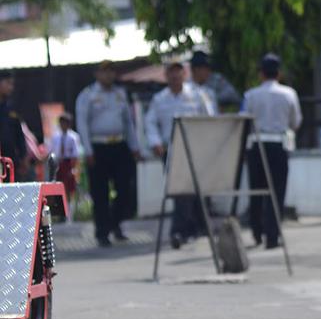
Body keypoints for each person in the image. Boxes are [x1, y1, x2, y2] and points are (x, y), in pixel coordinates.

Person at [145, 61, 216, 247]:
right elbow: (150, 122)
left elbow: (209, 118)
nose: (175, 78)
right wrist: (155, 142)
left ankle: (193, 228)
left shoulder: (197, 94)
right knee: (179, 190)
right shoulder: (159, 99)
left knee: (196, 190)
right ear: (166, 76)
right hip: (172, 150)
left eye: (178, 74)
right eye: (171, 74)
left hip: (194, 149)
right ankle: (180, 231)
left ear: (184, 74)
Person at [75, 61, 140, 247]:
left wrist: (134, 146)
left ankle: (116, 223)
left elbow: (128, 122)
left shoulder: (120, 94)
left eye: (111, 71)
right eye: (104, 72)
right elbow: (82, 124)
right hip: (98, 147)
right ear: (97, 74)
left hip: (119, 144)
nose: (109, 75)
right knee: (100, 192)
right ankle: (102, 232)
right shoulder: (88, 95)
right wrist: (87, 150)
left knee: (125, 188)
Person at [242, 53, 302, 250]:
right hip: (278, 145)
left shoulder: (250, 95)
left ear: (261, 74)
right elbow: (296, 122)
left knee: (256, 191)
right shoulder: (289, 94)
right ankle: (272, 237)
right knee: (277, 192)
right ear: (279, 73)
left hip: (256, 146)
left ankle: (257, 232)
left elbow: (244, 121)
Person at [48, 113, 83, 216]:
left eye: (65, 123)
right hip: (58, 163)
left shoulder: (73, 137)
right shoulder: (56, 137)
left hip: (68, 163)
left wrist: (74, 168)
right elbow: (52, 150)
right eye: (61, 123)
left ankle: (69, 214)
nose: (63, 125)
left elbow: (75, 154)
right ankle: (59, 213)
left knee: (69, 189)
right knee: (57, 187)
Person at [0, 71, 26, 177]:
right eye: (8, 83)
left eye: (12, 84)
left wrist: (23, 156)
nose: (11, 87)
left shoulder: (11, 109)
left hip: (10, 162)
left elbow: (19, 134)